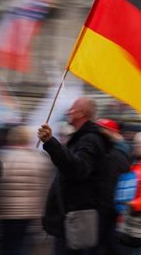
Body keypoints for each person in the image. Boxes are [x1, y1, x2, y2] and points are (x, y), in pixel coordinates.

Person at [37, 97, 109, 255]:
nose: (68, 112)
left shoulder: (90, 139)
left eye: (72, 109)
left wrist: (50, 142)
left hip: (74, 220)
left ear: (81, 113)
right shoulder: (81, 138)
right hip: (69, 218)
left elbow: (78, 169)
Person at [0, 126, 53, 255]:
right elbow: (45, 188)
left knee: (7, 248)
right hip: (31, 214)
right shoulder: (40, 159)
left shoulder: (4, 157)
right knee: (23, 247)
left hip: (7, 213)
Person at [95, 118, 131, 255]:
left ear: (110, 132)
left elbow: (111, 184)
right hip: (114, 206)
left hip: (110, 208)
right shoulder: (121, 149)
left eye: (101, 131)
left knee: (109, 244)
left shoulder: (116, 154)